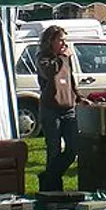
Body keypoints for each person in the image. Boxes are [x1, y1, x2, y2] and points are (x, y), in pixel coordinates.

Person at [36, 25, 85, 191]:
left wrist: (79, 97)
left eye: (65, 40)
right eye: (60, 40)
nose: (64, 43)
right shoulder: (43, 58)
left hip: (68, 109)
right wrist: (62, 57)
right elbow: (50, 72)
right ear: (51, 41)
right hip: (51, 110)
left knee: (73, 148)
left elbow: (70, 80)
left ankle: (47, 177)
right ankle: (53, 188)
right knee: (54, 150)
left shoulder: (65, 58)